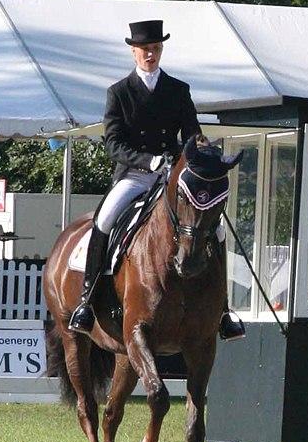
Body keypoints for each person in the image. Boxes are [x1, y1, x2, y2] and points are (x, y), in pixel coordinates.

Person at [68, 19, 245, 341]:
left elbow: (191, 132)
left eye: (156, 49)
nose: (151, 54)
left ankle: (223, 311)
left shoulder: (178, 90)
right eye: (145, 50)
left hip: (173, 177)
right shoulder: (119, 92)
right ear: (134, 52)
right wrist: (148, 160)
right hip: (135, 175)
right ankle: (87, 301)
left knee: (216, 229)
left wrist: (200, 149)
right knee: (105, 220)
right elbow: (113, 143)